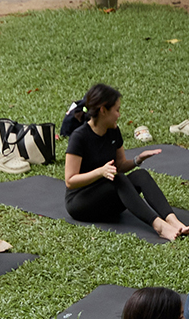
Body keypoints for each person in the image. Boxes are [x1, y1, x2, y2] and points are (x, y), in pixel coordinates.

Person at [65, 86, 187, 242]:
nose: (119, 115)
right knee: (119, 178)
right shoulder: (79, 137)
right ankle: (160, 226)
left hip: (108, 198)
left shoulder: (113, 131)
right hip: (81, 203)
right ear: (103, 110)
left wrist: (138, 159)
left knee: (140, 175)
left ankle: (172, 220)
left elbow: (120, 165)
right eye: (116, 110)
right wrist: (100, 172)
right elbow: (70, 181)